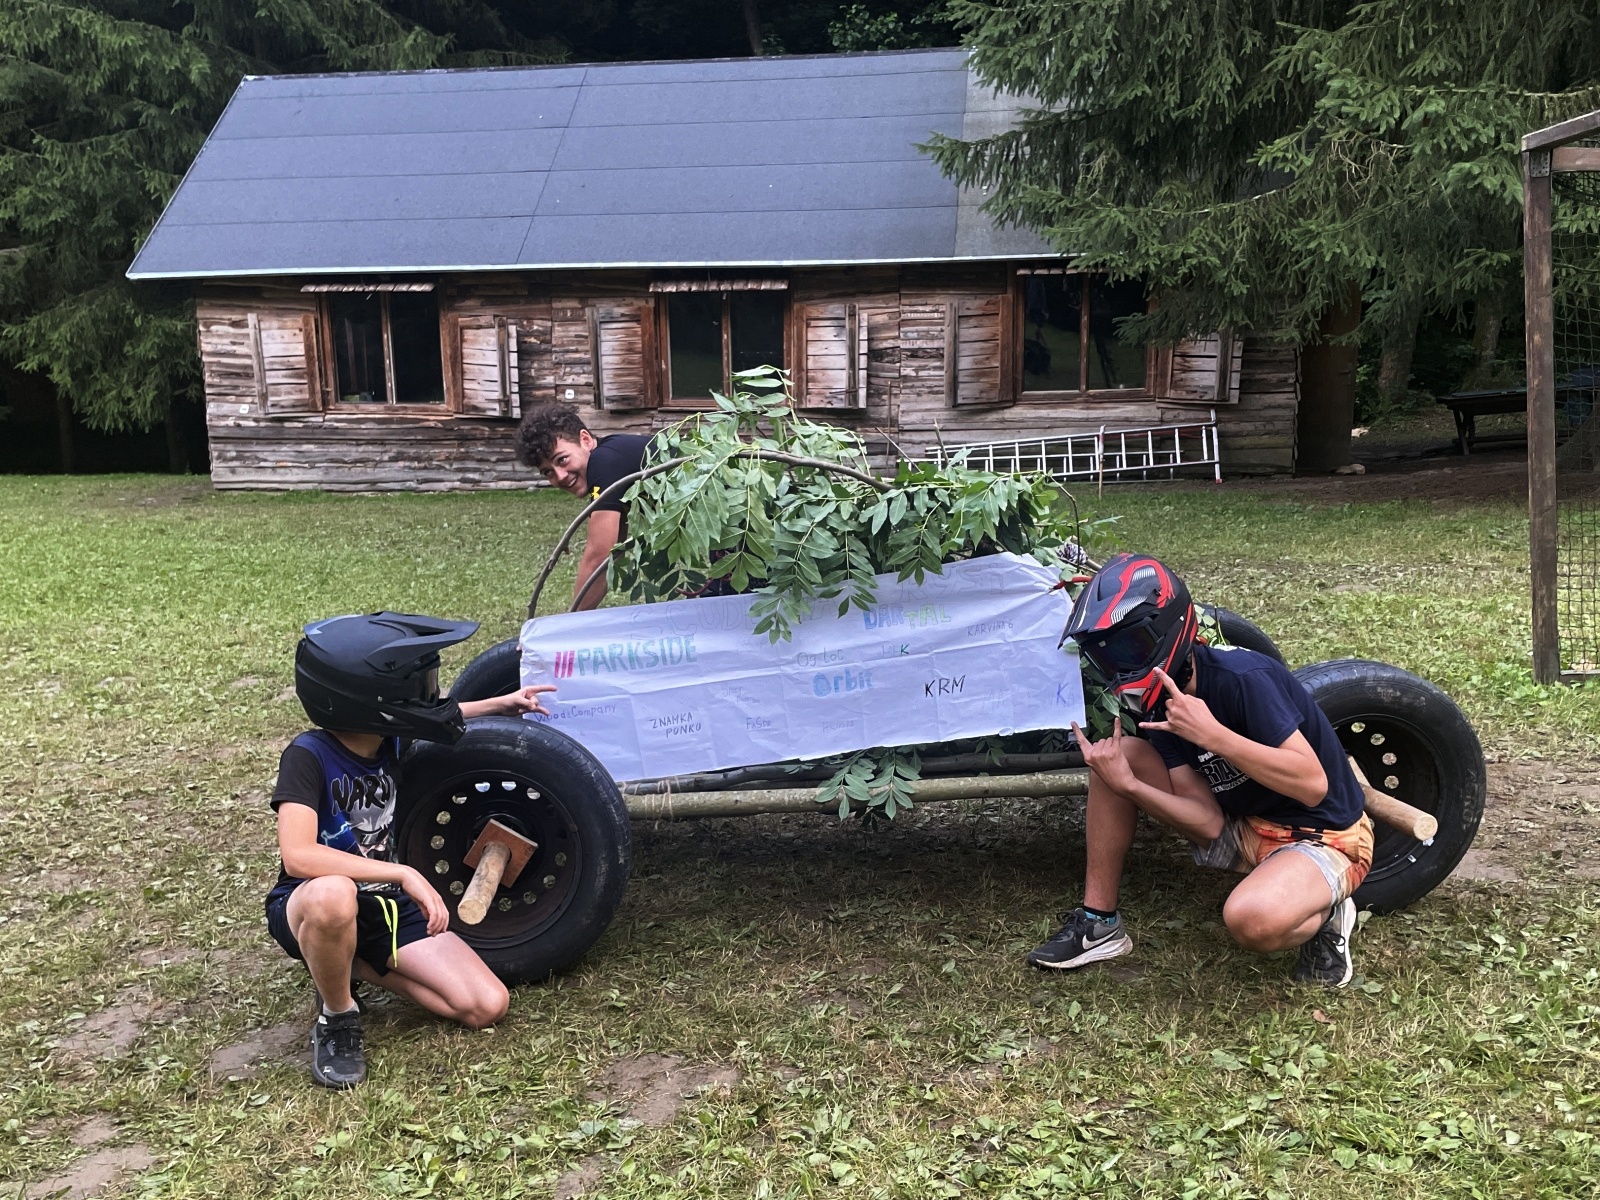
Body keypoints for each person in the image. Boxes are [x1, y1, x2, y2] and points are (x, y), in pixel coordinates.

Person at [1028, 554, 1374, 988]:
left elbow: (1311, 784)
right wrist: (1129, 786)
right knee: (1121, 755)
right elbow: (1207, 822)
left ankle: (1329, 914)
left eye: (1128, 648)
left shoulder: (1243, 678)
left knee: (1252, 920)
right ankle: (1099, 923)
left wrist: (1214, 736)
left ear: (1167, 629)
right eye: (1106, 657)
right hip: (1245, 825)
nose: (1119, 668)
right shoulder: (1161, 705)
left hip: (1325, 834)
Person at [266, 611, 556, 1089]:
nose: (425, 698)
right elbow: (298, 856)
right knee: (334, 894)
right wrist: (403, 873)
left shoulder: (388, 740)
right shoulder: (308, 755)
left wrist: (503, 703)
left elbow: (443, 717)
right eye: (412, 691)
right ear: (365, 700)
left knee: (486, 1005)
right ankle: (338, 1017)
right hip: (310, 901)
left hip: (382, 905)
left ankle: (348, 961)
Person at [515, 404, 650, 611]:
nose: (560, 476)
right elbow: (613, 555)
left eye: (562, 460)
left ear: (585, 440)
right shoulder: (611, 461)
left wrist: (572, 622)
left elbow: (599, 556)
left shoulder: (604, 462)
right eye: (548, 472)